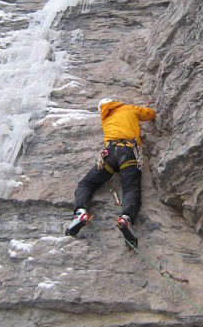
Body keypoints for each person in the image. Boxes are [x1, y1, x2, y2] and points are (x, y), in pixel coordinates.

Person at [66, 98, 156, 246]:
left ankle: (80, 212)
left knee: (86, 184)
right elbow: (150, 114)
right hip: (128, 152)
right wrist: (147, 108)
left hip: (109, 155)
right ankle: (126, 218)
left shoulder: (105, 117)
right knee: (131, 188)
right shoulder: (129, 108)